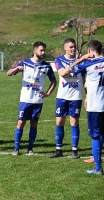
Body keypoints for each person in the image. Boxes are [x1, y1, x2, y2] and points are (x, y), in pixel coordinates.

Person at [59, 40, 104, 175]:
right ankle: (97, 159)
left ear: (90, 51)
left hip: (95, 106)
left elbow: (69, 70)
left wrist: (81, 58)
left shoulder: (88, 63)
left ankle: (98, 168)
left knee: (95, 136)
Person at [7, 41, 57, 156]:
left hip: (38, 101)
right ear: (35, 51)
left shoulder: (46, 66)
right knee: (20, 123)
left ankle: (30, 149)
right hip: (25, 99)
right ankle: (16, 148)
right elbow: (8, 73)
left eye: (44, 50)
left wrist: (48, 93)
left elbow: (54, 81)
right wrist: (15, 70)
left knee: (34, 124)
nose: (43, 52)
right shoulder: (24, 63)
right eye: (41, 50)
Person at [49, 38, 85, 159]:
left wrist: (87, 95)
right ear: (65, 48)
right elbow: (62, 73)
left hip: (76, 97)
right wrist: (76, 63)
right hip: (62, 96)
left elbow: (85, 80)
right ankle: (59, 149)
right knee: (59, 122)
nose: (73, 49)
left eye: (74, 47)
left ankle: (74, 150)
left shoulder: (82, 61)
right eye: (71, 47)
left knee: (74, 122)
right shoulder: (59, 60)